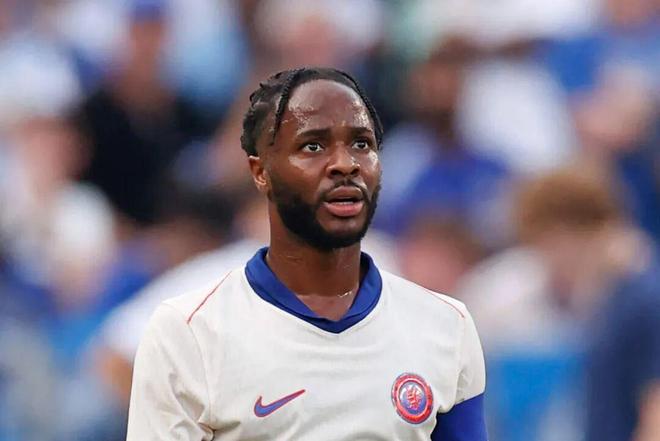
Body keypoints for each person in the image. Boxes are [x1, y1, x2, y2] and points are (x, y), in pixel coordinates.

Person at [126, 67, 487, 440]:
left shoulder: (447, 326)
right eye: (313, 146)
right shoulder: (189, 332)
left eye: (361, 144)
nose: (345, 164)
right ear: (261, 171)